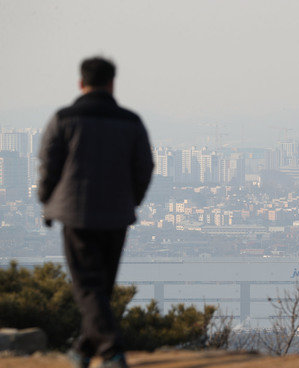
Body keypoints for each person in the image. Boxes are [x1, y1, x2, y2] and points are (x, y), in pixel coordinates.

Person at [38, 56, 154, 368]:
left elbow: (49, 164)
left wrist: (46, 200)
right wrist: (132, 200)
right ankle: (83, 350)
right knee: (100, 286)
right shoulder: (131, 121)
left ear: (81, 83)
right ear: (112, 83)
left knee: (88, 286)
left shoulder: (64, 119)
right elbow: (144, 167)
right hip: (116, 215)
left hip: (76, 214)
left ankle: (112, 351)